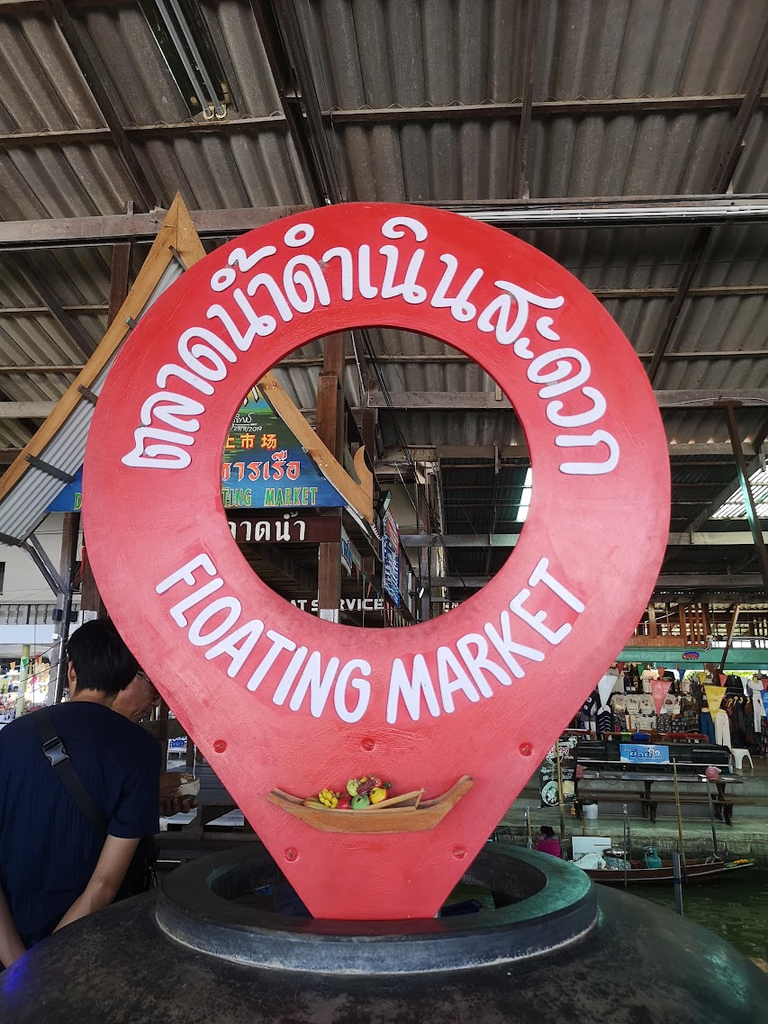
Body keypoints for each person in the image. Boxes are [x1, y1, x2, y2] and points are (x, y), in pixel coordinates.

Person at [0, 619, 160, 968]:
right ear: (125, 678)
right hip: (89, 951)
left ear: (71, 671)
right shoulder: (141, 750)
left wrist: (17, 966)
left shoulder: (8, 738)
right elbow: (103, 885)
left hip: (8, 946)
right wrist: (41, 968)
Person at [112, 671, 196, 817]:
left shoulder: (144, 744)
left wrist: (155, 805)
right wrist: (148, 789)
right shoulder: (84, 734)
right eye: (154, 687)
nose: (157, 702)